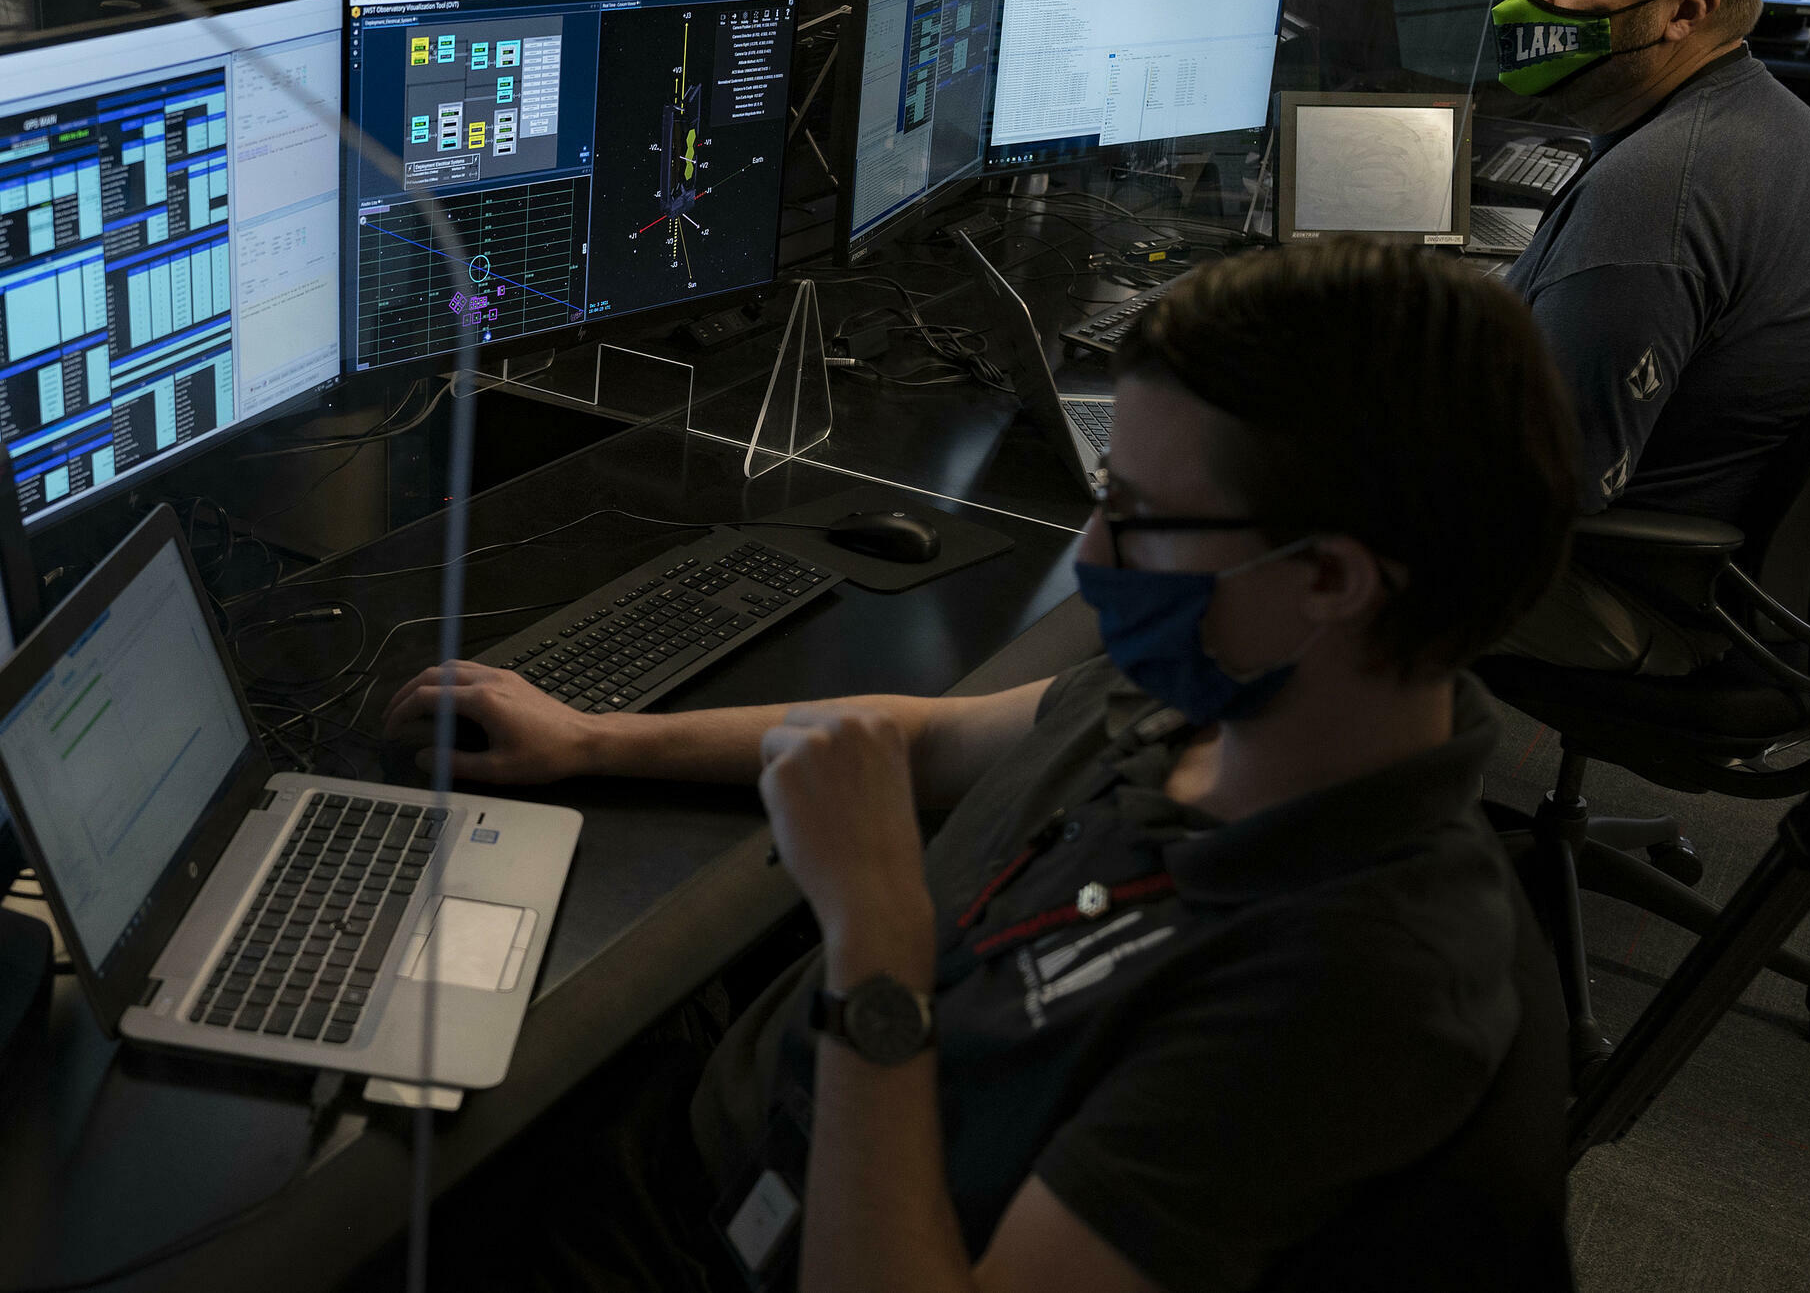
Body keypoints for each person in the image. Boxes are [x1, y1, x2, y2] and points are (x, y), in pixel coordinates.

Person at [383, 240, 1580, 1293]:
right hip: (728, 1130)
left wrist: (873, 944)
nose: (1092, 548)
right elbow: (920, 739)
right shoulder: (1223, 683)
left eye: (1141, 514)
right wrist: (594, 737)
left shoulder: (1350, 993)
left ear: (1329, 578)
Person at [1489, 0, 1810, 675]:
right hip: (1725, 569)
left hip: (1630, 595)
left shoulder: (1655, 198)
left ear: (1685, 11)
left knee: (1209, 506)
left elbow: (1543, 489)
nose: (1534, 4)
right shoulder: (1748, 114)